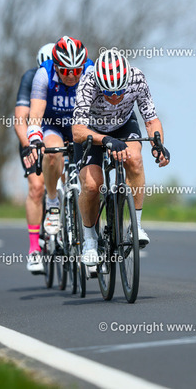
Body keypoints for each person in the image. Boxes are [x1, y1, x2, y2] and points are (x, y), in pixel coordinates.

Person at [72, 48, 170, 266]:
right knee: (92, 185)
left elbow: (151, 120)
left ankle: (136, 226)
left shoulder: (137, 78)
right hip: (92, 131)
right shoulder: (88, 82)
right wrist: (105, 140)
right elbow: (77, 131)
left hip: (123, 124)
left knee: (135, 160)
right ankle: (90, 240)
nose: (115, 97)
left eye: (120, 92)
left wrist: (158, 145)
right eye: (109, 93)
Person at [24, 36, 94, 238]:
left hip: (80, 125)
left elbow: (100, 109)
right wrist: (35, 139)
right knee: (52, 154)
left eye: (76, 70)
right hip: (53, 125)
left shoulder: (90, 71)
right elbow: (35, 115)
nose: (71, 76)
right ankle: (53, 202)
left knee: (92, 180)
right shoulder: (43, 74)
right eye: (65, 70)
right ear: (56, 66)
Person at [15, 43, 53, 273]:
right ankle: (34, 249)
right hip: (32, 137)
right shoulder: (31, 78)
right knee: (37, 187)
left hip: (59, 134)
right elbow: (21, 119)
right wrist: (28, 146)